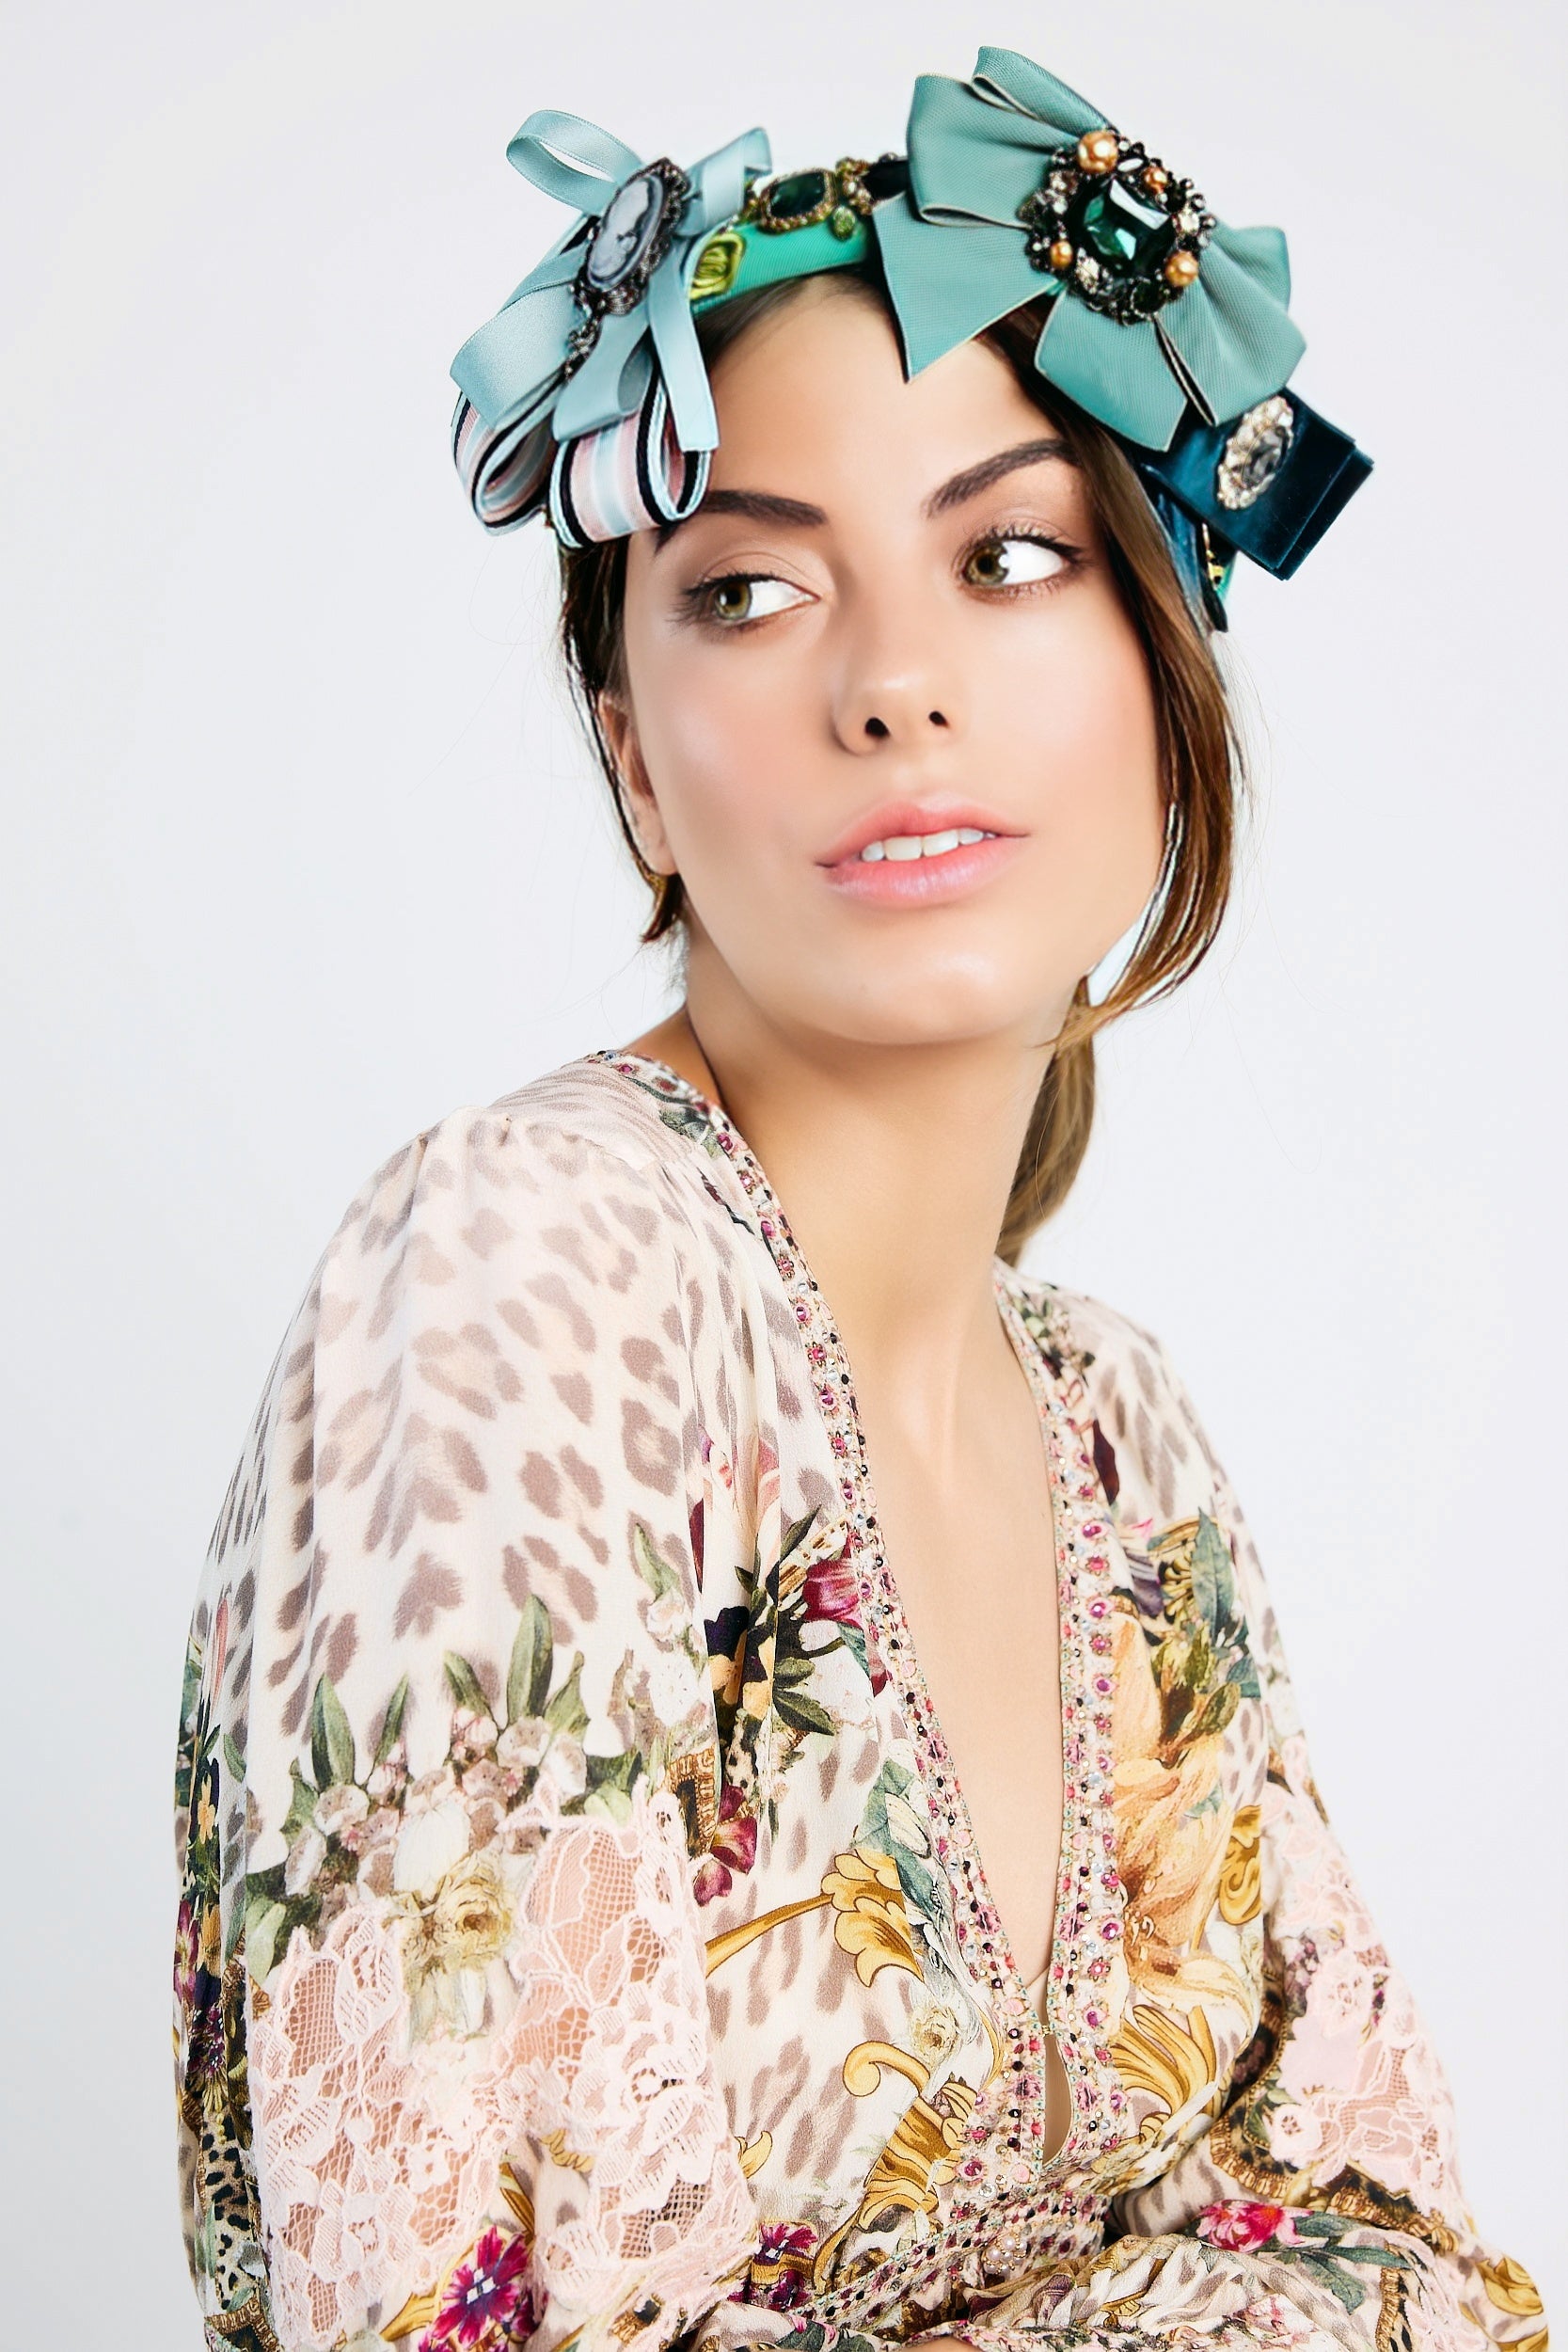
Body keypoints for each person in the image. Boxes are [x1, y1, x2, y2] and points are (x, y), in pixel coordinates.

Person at [171, 48, 1547, 2352]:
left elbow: (1397, 2240)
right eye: (747, 589)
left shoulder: (1123, 1435)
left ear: (1164, 658)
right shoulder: (523, 1280)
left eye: (1009, 557)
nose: (896, 682)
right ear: (634, 755)